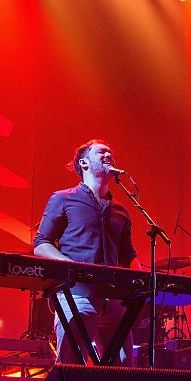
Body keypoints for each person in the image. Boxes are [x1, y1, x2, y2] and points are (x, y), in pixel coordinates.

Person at [33, 139, 140, 366]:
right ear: (84, 163)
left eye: (111, 151)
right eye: (102, 151)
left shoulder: (121, 210)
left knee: (124, 366)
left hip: (113, 299)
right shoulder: (63, 199)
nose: (108, 153)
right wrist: (71, 266)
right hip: (77, 295)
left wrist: (139, 284)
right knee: (71, 365)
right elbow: (41, 243)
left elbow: (128, 255)